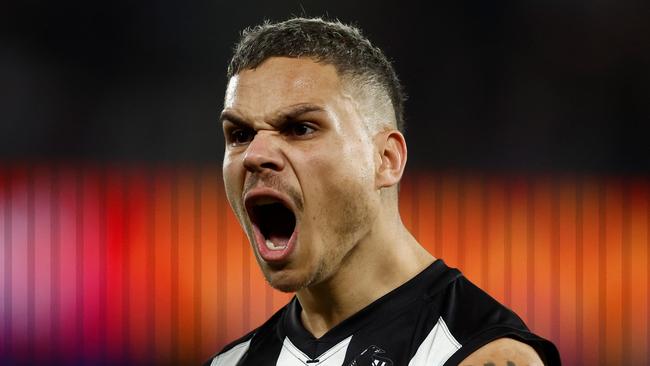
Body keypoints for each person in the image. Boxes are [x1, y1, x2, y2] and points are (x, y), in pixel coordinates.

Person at [206, 17, 560, 366]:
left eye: (300, 129)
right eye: (239, 135)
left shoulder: (479, 354)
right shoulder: (231, 362)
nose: (255, 155)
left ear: (386, 159)